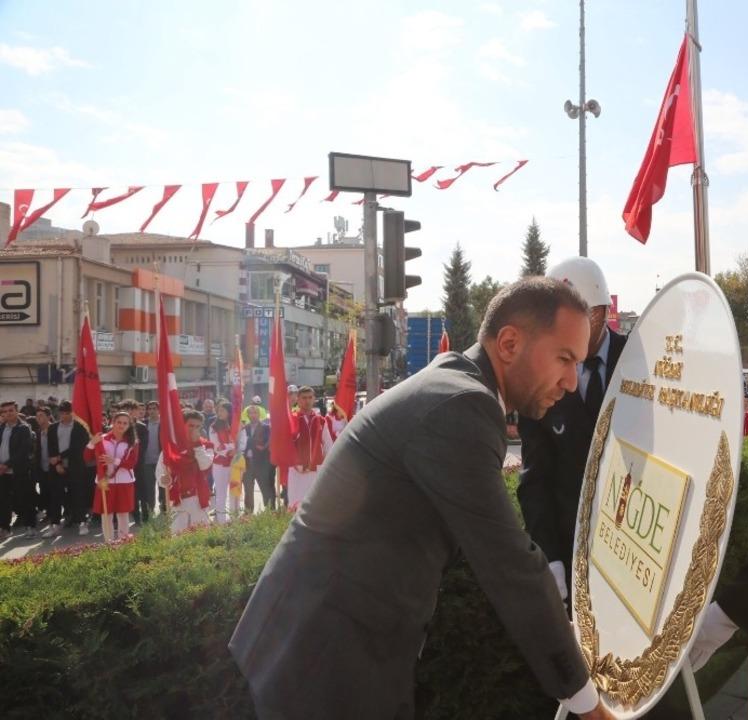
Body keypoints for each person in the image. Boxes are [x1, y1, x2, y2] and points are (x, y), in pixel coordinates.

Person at [229, 277, 614, 720]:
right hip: (324, 660)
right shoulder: (462, 407)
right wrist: (588, 704)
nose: (572, 381)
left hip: (327, 645)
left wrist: (556, 630)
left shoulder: (456, 382)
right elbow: (510, 565)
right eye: (564, 359)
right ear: (509, 343)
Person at [517, 256, 627, 604]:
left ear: (599, 314)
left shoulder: (643, 361)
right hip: (570, 550)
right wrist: (550, 560)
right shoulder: (539, 376)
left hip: (633, 554)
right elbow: (534, 478)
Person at [157, 409, 214, 533]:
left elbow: (205, 465)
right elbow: (161, 471)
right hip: (178, 499)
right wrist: (163, 479)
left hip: (198, 497)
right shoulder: (171, 447)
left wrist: (197, 444)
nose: (194, 429)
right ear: (183, 425)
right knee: (177, 535)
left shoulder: (207, 445)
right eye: (191, 425)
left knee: (201, 535)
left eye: (198, 426)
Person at [86, 411, 139, 543]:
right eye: (119, 422)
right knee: (106, 515)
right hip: (105, 481)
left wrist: (114, 461)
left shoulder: (133, 442)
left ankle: (123, 541)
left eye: (125, 423)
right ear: (112, 422)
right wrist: (92, 443)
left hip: (124, 482)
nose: (121, 425)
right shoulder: (102, 439)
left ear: (129, 425)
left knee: (123, 514)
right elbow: (87, 457)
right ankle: (108, 542)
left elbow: (132, 463)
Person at [286, 387, 333, 510]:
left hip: (316, 469)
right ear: (298, 400)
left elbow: (328, 446)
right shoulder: (292, 419)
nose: (307, 401)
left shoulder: (321, 421)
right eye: (304, 398)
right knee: (295, 505)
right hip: (297, 469)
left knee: (315, 506)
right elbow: (284, 443)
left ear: (314, 399)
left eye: (310, 397)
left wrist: (328, 468)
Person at [49, 401, 90, 535]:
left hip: (76, 466)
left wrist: (60, 457)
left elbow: (78, 448)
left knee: (78, 495)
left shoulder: (80, 427)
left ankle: (82, 523)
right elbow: (51, 448)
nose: (65, 416)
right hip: (58, 468)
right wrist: (57, 464)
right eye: (62, 413)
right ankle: (54, 524)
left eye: (68, 413)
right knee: (55, 496)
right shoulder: (53, 428)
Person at [0, 400, 34, 540]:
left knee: (24, 499)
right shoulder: (1, 428)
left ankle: (30, 527)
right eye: (5, 411)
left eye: (11, 410)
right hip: (2, 473)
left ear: (16, 411)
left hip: (18, 471)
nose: (8, 413)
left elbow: (23, 451)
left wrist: (7, 464)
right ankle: (5, 528)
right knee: (3, 502)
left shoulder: (24, 428)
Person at [209, 402, 239, 523]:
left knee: (235, 492)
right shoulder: (213, 427)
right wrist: (230, 449)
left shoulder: (236, 425)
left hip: (236, 464)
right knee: (221, 493)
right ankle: (221, 521)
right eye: (218, 411)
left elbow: (242, 441)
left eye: (222, 410)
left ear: (229, 411)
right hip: (220, 464)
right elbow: (216, 446)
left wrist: (236, 449)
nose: (219, 413)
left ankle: (234, 518)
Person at [241, 405, 273, 512]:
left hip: (261, 464)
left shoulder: (266, 427)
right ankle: (248, 513)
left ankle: (269, 512)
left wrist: (255, 443)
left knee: (265, 489)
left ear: (259, 414)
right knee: (248, 490)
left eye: (255, 413)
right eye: (251, 413)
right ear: (248, 415)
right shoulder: (244, 428)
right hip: (247, 464)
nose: (253, 415)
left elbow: (268, 443)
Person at [33, 407, 60, 536]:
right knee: (45, 493)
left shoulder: (55, 430)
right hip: (43, 468)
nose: (39, 418)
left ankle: (56, 520)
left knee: (55, 494)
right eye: (37, 416)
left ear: (49, 416)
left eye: (42, 415)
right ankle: (49, 515)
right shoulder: (38, 432)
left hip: (54, 468)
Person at [138, 400, 162, 520]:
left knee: (162, 486)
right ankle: (150, 510)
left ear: (159, 410)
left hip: (161, 461)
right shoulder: (143, 424)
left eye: (154, 408)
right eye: (150, 409)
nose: (152, 411)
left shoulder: (164, 424)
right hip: (146, 461)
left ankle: (164, 510)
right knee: (148, 488)